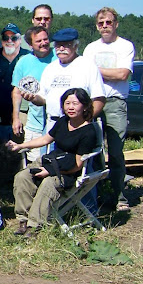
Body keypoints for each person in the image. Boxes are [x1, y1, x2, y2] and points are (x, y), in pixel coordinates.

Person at [8, 88, 99, 238]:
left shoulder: (88, 132)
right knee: (22, 177)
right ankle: (23, 220)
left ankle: (35, 226)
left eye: (75, 103)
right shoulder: (63, 121)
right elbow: (45, 139)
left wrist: (50, 171)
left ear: (85, 106)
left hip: (68, 171)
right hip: (52, 160)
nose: (70, 107)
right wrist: (21, 145)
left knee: (48, 184)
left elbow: (77, 165)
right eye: (67, 103)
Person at [83, 7, 134, 211]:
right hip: (93, 100)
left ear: (116, 24)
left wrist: (94, 71)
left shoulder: (125, 46)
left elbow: (122, 74)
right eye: (101, 23)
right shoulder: (90, 48)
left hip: (115, 102)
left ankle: (119, 197)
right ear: (97, 26)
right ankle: (97, 195)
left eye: (109, 22)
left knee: (115, 151)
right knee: (93, 151)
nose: (105, 26)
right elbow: (85, 76)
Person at [22, 28, 105, 134]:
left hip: (79, 126)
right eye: (58, 45)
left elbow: (99, 99)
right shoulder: (50, 68)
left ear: (75, 46)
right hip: (53, 125)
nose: (61, 48)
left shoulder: (87, 65)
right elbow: (42, 99)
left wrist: (84, 122)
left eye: (66, 45)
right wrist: (33, 98)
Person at [11, 26, 55, 164]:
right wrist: (16, 118)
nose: (43, 43)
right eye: (38, 41)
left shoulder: (58, 58)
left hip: (56, 120)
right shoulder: (24, 62)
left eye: (45, 39)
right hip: (35, 120)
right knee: (34, 160)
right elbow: (17, 91)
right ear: (30, 45)